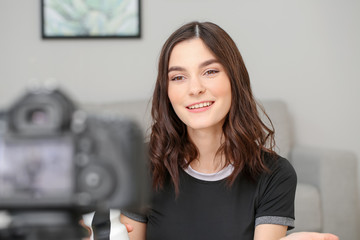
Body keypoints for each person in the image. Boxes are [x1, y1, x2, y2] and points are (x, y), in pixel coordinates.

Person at [118, 21, 338, 240]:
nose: (195, 89)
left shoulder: (275, 174)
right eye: (178, 77)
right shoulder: (141, 164)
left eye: (210, 71)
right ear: (166, 91)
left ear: (234, 79)